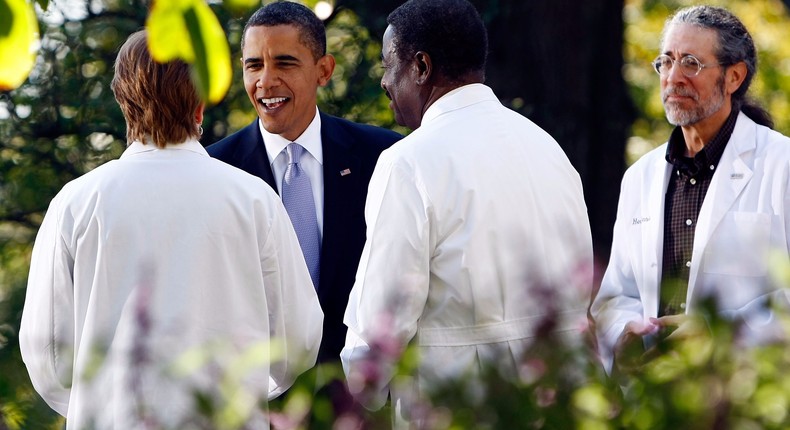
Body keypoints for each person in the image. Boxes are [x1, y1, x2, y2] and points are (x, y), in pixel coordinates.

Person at [19, 30, 323, 429]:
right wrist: (246, 394)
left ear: (123, 102)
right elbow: (298, 340)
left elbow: (48, 353)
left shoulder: (75, 203)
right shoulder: (254, 199)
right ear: (199, 105)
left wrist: (99, 404)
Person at [340, 0, 594, 424]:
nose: (384, 81)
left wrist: (360, 392)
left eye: (389, 65)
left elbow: (383, 317)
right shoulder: (548, 148)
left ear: (420, 67)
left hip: (459, 404)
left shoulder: (409, 161)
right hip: (560, 399)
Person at [591, 5, 790, 376]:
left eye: (692, 63)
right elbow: (617, 295)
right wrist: (624, 332)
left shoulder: (782, 164)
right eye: (666, 61)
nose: (673, 77)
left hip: (744, 392)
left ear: (733, 77)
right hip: (656, 395)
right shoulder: (639, 177)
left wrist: (717, 332)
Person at [207, 1, 402, 363]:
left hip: (358, 395)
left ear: (323, 70)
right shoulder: (214, 171)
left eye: (284, 62)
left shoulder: (383, 156)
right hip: (253, 396)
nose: (266, 80)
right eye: (254, 65)